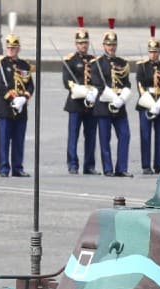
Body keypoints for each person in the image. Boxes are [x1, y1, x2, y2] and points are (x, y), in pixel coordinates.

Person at [0, 28, 33, 178]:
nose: (11, 50)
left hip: (21, 108)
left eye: (14, 48)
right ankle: (4, 169)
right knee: (4, 140)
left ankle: (18, 168)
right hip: (5, 108)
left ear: (19, 48)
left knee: (19, 140)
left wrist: (24, 98)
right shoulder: (0, 64)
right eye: (9, 48)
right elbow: (0, 85)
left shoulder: (24, 65)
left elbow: (30, 85)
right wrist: (12, 98)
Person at [90, 19, 133, 177]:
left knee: (125, 135)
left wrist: (122, 98)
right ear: (104, 45)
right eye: (108, 45)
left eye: (113, 44)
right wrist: (113, 96)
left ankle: (121, 167)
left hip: (119, 106)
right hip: (104, 106)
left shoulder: (123, 63)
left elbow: (127, 83)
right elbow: (98, 85)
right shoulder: (96, 64)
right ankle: (108, 168)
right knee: (105, 139)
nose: (111, 47)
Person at [136, 26, 160, 175]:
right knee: (145, 135)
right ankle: (146, 165)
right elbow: (140, 85)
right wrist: (151, 103)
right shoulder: (142, 66)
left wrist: (159, 103)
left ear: (159, 52)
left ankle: (158, 164)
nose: (153, 54)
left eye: (155, 52)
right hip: (146, 103)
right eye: (151, 52)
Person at [62, 17, 97, 174]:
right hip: (76, 103)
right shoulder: (70, 61)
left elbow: (98, 79)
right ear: (76, 44)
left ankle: (89, 165)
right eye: (81, 43)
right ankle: (73, 164)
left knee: (90, 136)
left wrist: (93, 92)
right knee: (73, 135)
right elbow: (67, 82)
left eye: (85, 43)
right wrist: (84, 91)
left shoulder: (94, 60)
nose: (83, 45)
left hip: (91, 104)